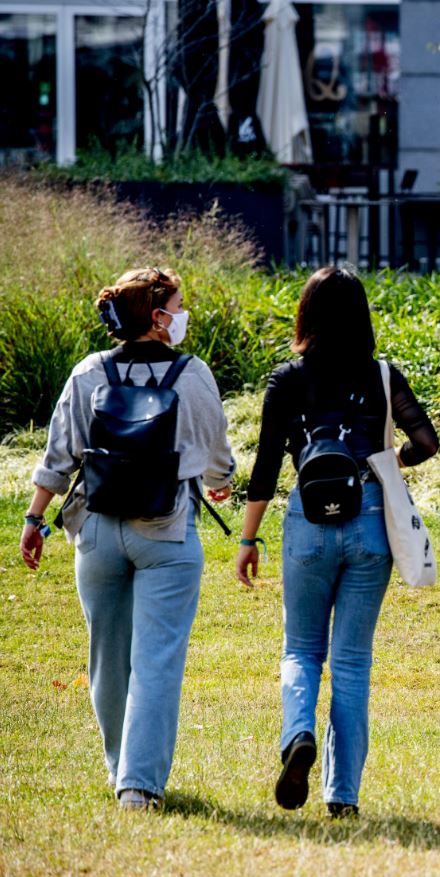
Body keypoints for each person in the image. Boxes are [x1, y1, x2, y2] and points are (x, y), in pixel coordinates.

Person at [21, 267, 235, 811]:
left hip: (96, 529)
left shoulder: (89, 372)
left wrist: (34, 518)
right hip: (166, 531)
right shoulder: (193, 374)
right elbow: (215, 455)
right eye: (178, 307)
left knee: (107, 660)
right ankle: (138, 786)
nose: (183, 315)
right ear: (158, 318)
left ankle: (121, 769)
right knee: (157, 659)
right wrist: (222, 481)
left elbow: (59, 454)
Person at [234, 267, 439, 818]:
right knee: (352, 663)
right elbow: (427, 442)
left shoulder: (287, 378)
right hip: (369, 518)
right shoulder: (382, 375)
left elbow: (265, 465)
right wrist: (389, 461)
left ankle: (298, 733)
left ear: (306, 315)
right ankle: (342, 795)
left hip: (307, 517)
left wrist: (248, 538)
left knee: (301, 650)